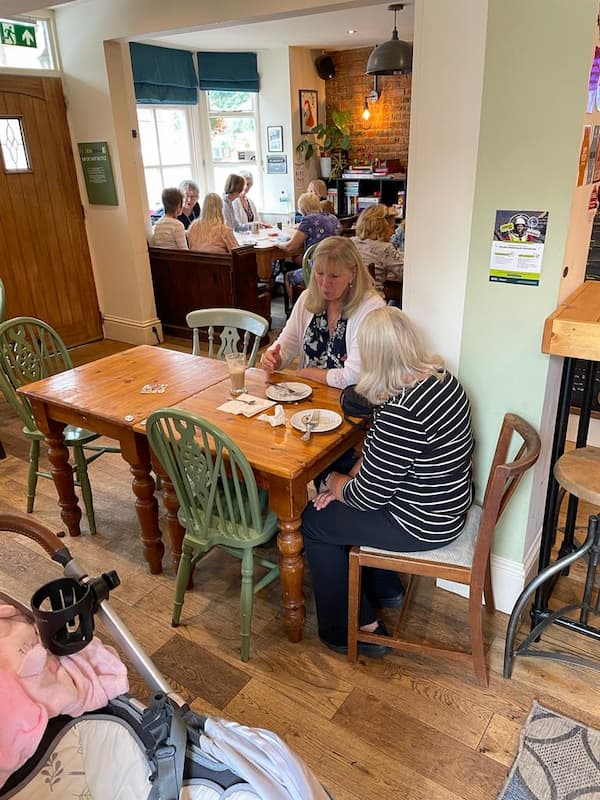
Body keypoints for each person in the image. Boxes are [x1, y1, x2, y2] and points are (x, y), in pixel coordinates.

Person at [301, 306, 474, 656]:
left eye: (360, 350)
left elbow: (366, 498)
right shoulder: (441, 379)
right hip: (443, 501)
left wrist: (332, 483)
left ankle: (355, 627)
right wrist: (347, 477)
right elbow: (385, 456)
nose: (351, 357)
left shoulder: (401, 410)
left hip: (424, 522)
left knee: (315, 522)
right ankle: (385, 588)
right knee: (345, 472)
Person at [260, 236, 384, 388]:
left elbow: (353, 377)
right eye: (319, 273)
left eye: (334, 276)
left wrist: (305, 373)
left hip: (352, 402)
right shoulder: (308, 298)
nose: (325, 283)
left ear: (353, 273)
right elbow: (286, 345)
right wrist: (274, 358)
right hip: (311, 396)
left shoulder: (371, 308)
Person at [278, 192, 342, 303]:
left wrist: (278, 244)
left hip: (316, 268)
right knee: (297, 259)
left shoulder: (308, 220)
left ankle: (297, 310)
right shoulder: (333, 218)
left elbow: (291, 247)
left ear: (303, 209)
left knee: (288, 276)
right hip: (335, 264)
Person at [351, 204, 403, 293]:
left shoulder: (350, 243)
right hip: (373, 298)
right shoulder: (386, 249)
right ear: (382, 228)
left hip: (350, 298)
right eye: (392, 227)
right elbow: (405, 274)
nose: (394, 232)